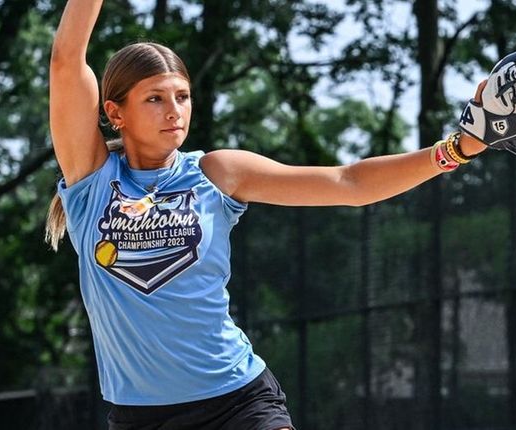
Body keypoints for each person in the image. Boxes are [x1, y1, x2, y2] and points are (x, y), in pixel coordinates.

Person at [44, 1, 488, 428]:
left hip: (236, 399)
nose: (175, 110)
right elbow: (67, 59)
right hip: (142, 415)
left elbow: (349, 183)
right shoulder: (93, 181)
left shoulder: (216, 173)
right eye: (155, 98)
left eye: (183, 96)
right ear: (114, 112)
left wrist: (454, 150)